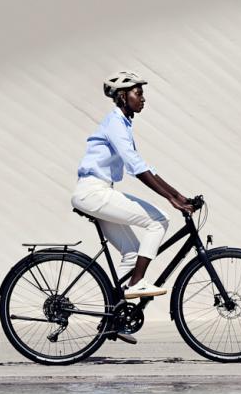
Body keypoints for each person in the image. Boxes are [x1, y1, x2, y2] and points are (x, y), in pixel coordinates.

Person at [72, 72, 194, 309]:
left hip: (97, 192)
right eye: (138, 93)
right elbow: (136, 167)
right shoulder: (115, 123)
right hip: (94, 192)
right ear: (122, 96)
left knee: (132, 252)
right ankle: (136, 283)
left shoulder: (122, 123)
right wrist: (171, 199)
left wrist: (179, 196)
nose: (143, 98)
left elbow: (143, 165)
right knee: (158, 220)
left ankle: (116, 316)